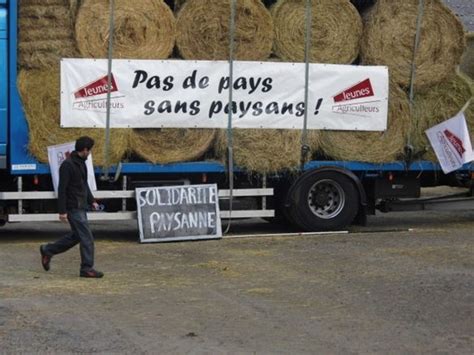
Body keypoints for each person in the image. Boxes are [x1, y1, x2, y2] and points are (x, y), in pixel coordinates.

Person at [40, 136, 104, 278]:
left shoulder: (81, 163)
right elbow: (61, 189)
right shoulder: (67, 165)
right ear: (85, 150)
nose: (90, 153)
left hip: (81, 205)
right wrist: (62, 211)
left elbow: (84, 184)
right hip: (73, 206)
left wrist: (92, 200)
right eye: (90, 150)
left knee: (77, 236)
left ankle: (48, 250)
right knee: (87, 238)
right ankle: (86, 268)